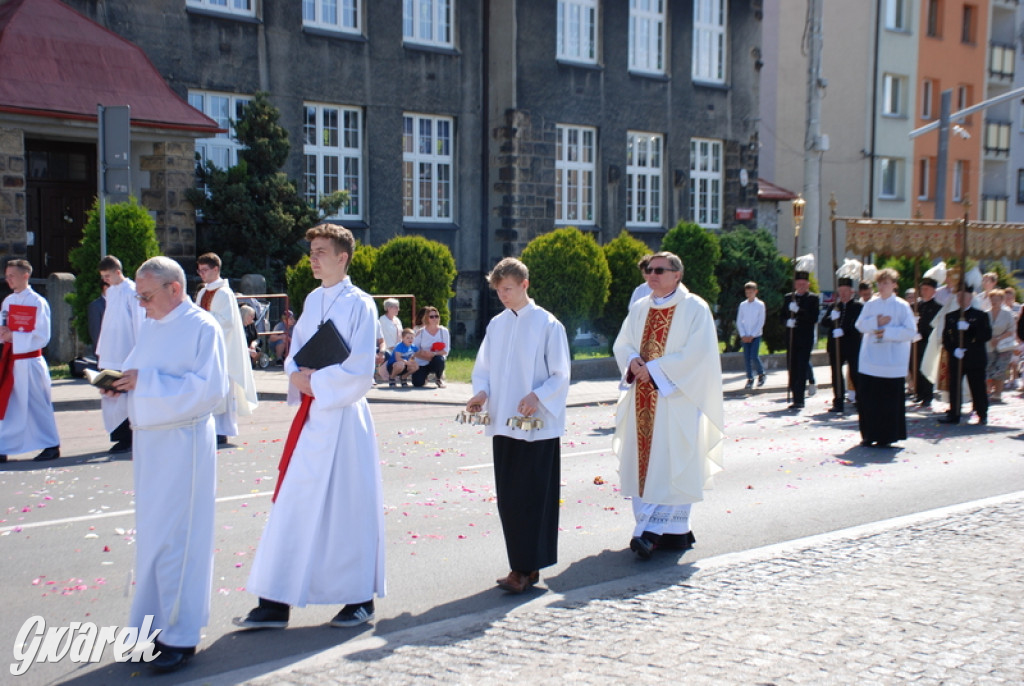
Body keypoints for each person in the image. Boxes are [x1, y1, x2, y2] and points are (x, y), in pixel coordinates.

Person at [235, 223, 385, 630]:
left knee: (346, 510)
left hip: (344, 419)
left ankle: (359, 598)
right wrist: (296, 373)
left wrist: (313, 381)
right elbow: (295, 350)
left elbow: (359, 371)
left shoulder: (361, 304)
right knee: (294, 505)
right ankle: (275, 599)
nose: (313, 258)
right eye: (311, 252)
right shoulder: (313, 298)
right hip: (313, 418)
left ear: (343, 257)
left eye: (321, 251)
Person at [102, 256, 229, 673]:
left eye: (146, 295)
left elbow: (209, 391)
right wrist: (119, 386)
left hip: (184, 443)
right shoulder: (153, 325)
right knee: (155, 539)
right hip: (152, 446)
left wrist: (145, 383)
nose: (141, 304)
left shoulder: (201, 327)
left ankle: (180, 634)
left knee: (181, 539)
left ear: (175, 289)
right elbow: (140, 373)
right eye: (137, 296)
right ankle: (148, 627)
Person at [466, 257, 570, 592]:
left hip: (536, 425)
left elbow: (561, 374)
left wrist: (538, 396)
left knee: (533, 497)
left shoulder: (548, 324)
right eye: (498, 291)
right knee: (510, 498)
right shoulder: (496, 325)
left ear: (525, 284)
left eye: (508, 289)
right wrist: (481, 393)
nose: (503, 296)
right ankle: (519, 566)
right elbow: (484, 368)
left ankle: (527, 569)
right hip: (503, 424)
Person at [612, 252, 724, 560]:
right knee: (646, 463)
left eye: (660, 270)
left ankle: (650, 532)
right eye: (650, 269)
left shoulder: (694, 308)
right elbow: (622, 343)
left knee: (674, 460)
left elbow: (698, 355)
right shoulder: (639, 308)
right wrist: (633, 360)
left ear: (677, 275)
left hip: (677, 401)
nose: (652, 274)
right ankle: (671, 532)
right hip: (642, 403)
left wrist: (657, 369)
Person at [0, 259, 61, 463]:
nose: (8, 279)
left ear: (25, 275)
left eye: (12, 275)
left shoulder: (37, 302)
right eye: (7, 276)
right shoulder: (8, 301)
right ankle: (3, 446)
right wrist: (3, 334)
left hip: (30, 361)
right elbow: (3, 327)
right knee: (9, 405)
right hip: (12, 361)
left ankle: (51, 445)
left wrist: (14, 336)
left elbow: (42, 335)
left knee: (37, 404)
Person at [194, 253, 258, 444]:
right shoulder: (202, 292)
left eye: (205, 270)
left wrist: (205, 317)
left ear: (216, 269)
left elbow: (228, 323)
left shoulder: (225, 293)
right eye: (199, 270)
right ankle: (209, 426)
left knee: (223, 390)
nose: (201, 274)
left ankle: (222, 430)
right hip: (205, 348)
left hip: (222, 349)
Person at [853, 269, 916, 447]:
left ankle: (887, 436)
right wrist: (875, 323)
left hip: (892, 361)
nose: (882, 287)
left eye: (886, 283)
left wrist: (887, 332)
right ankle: (868, 434)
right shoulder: (871, 304)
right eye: (880, 283)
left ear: (894, 285)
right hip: (870, 360)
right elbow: (859, 325)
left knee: (888, 402)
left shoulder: (902, 306)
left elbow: (911, 331)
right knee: (868, 400)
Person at [96, 255, 143, 453]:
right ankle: (117, 434)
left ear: (118, 272)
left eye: (107, 275)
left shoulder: (131, 291)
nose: (105, 279)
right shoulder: (112, 292)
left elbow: (138, 322)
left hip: (125, 351)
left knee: (124, 397)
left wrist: (138, 352)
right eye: (102, 276)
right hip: (109, 350)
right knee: (111, 396)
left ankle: (128, 437)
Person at [939, 287, 991, 425]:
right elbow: (945, 338)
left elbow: (986, 335)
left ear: (970, 298)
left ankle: (982, 413)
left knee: (977, 387)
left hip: (975, 357)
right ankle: (954, 413)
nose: (961, 299)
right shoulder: (950, 316)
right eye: (959, 297)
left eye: (964, 296)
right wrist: (953, 349)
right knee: (955, 387)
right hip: (957, 357)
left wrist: (971, 328)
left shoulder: (980, 315)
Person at [821, 277, 863, 413]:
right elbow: (824, 322)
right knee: (836, 375)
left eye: (846, 291)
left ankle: (861, 401)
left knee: (856, 373)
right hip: (836, 346)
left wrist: (843, 330)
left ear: (852, 292)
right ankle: (838, 402)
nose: (843, 293)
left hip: (852, 345)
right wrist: (832, 318)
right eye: (841, 291)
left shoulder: (858, 306)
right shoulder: (834, 306)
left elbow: (857, 324)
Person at [782, 268, 820, 410]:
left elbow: (813, 317)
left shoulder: (813, 299)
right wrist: (787, 322)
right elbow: (782, 316)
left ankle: (799, 399)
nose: (801, 286)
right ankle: (794, 394)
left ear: (808, 285)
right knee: (792, 367)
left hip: (805, 339)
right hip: (792, 339)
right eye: (799, 283)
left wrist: (799, 311)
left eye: (804, 284)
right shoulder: (788, 298)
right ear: (795, 284)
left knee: (801, 367)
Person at [913, 276, 943, 408]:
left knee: (926, 367)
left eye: (926, 289)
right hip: (915, 340)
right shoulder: (916, 306)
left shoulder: (937, 307)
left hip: (927, 341)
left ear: (933, 291)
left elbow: (935, 326)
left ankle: (927, 395)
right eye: (922, 289)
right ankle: (919, 393)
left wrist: (923, 332)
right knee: (915, 367)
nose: (923, 291)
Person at [985, 288, 1015, 404]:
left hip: (1004, 345)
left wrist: (999, 338)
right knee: (988, 368)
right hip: (989, 344)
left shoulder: (1007, 314)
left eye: (997, 299)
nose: (994, 302)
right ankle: (988, 390)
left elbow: (1011, 329)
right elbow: (983, 329)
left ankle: (998, 393)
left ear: (1002, 300)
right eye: (992, 299)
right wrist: (991, 338)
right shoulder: (986, 314)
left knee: (1000, 370)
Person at [736, 281, 766, 389]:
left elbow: (760, 321)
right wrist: (743, 334)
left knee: (754, 356)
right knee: (747, 357)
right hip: (745, 335)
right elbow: (739, 321)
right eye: (747, 292)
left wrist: (752, 335)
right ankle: (750, 378)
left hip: (755, 335)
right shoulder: (743, 305)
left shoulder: (760, 305)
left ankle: (761, 374)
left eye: (751, 292)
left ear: (755, 292)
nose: (749, 295)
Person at [412, 306, 450, 388]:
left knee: (439, 359)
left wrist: (433, 354)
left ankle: (438, 378)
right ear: (427, 318)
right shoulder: (421, 332)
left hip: (435, 360)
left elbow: (446, 350)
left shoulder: (444, 331)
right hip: (422, 361)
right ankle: (424, 377)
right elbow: (413, 350)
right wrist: (423, 354)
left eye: (436, 316)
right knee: (417, 383)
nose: (434, 319)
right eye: (431, 317)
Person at [377, 298, 402, 381]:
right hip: (388, 349)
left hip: (399, 348)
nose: (398, 309)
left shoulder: (397, 320)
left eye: (398, 307)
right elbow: (382, 336)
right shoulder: (382, 320)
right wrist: (391, 347)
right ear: (388, 308)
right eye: (395, 307)